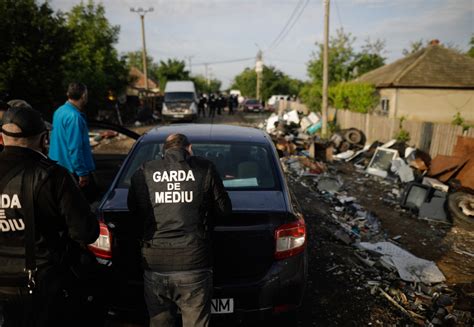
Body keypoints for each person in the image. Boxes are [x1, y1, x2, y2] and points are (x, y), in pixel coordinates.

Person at [0, 101, 100, 326]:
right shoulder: (54, 177)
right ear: (44, 139)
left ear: (1, 138)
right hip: (42, 286)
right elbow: (86, 232)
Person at [128, 133, 232, 327]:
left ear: (163, 151)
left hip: (156, 264)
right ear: (189, 149)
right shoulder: (204, 169)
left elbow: (134, 211)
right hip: (194, 263)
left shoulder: (143, 172)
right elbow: (224, 211)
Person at [49, 82, 97, 202]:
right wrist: (82, 173)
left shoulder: (59, 111)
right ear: (84, 95)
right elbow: (75, 148)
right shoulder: (74, 117)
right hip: (73, 171)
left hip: (59, 168)